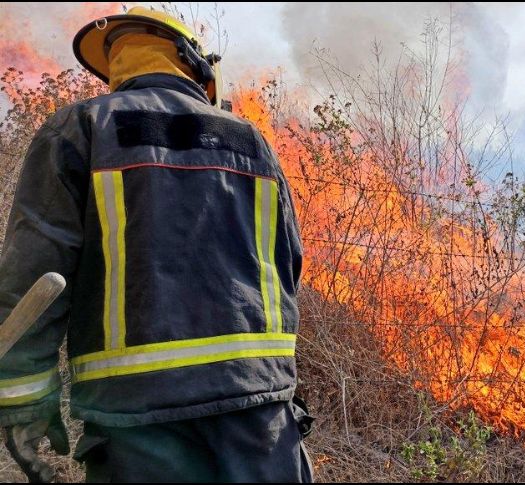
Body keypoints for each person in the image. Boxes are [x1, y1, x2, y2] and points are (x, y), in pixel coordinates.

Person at [0, 7, 312, 482]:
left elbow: (36, 271)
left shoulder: (82, 127)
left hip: (138, 419)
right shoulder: (252, 141)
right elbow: (289, 262)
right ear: (193, 62)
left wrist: (24, 401)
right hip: (259, 412)